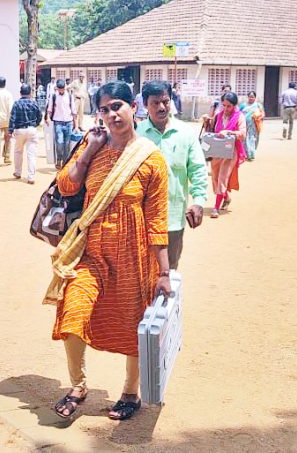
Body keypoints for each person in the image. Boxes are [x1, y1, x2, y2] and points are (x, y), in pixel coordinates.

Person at [47, 81, 170, 422]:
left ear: (134, 107)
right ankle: (78, 385)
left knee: (134, 326)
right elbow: (66, 185)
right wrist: (88, 150)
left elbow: (157, 220)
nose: (112, 114)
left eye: (118, 106)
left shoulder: (150, 160)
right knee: (73, 314)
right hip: (90, 255)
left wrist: (163, 272)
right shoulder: (93, 147)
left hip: (134, 257)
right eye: (104, 109)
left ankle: (130, 392)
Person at [137, 80, 208, 269]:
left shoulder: (185, 133)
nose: (162, 107)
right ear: (145, 104)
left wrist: (199, 202)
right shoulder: (136, 134)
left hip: (173, 218)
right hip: (141, 219)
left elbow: (198, 169)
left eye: (165, 102)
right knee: (140, 271)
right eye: (155, 103)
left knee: (169, 269)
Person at [209, 92, 246, 218]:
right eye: (223, 105)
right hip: (217, 150)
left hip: (231, 151)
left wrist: (229, 132)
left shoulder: (239, 116)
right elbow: (211, 129)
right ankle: (226, 197)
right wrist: (206, 120)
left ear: (234, 106)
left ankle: (216, 207)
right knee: (214, 176)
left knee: (223, 177)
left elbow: (242, 134)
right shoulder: (218, 116)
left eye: (228, 106)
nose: (225, 109)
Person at [8, 83, 43, 184]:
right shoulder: (34, 103)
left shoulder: (16, 104)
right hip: (31, 129)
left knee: (18, 151)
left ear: (20, 93)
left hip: (19, 130)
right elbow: (39, 115)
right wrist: (35, 124)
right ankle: (31, 177)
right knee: (31, 154)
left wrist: (10, 130)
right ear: (30, 93)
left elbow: (12, 118)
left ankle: (18, 172)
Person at [46, 79, 78, 169]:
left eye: (62, 89)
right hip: (58, 123)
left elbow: (74, 112)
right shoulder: (53, 96)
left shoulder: (70, 96)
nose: (61, 91)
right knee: (59, 142)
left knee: (67, 144)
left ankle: (65, 162)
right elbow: (49, 109)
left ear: (65, 88)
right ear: (57, 88)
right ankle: (59, 158)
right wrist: (48, 118)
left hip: (69, 123)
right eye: (59, 89)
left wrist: (76, 126)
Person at [239, 91, 264, 161]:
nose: (251, 98)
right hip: (244, 126)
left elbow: (263, 114)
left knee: (252, 139)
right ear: (248, 97)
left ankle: (251, 153)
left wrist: (259, 117)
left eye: (252, 97)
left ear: (255, 97)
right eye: (250, 97)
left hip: (254, 126)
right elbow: (238, 114)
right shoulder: (243, 105)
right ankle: (246, 154)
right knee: (245, 140)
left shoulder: (258, 106)